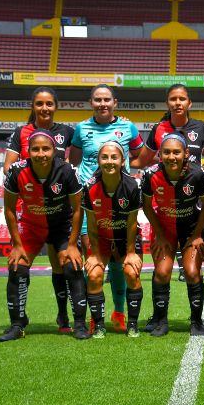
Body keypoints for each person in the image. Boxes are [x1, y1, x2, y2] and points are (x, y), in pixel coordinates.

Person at [0, 129, 88, 341]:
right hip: (31, 227)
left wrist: (73, 244)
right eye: (35, 149)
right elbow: (9, 209)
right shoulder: (16, 171)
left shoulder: (67, 171)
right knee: (17, 267)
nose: (41, 153)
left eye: (45, 149)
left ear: (54, 151)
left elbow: (78, 209)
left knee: (72, 265)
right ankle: (17, 324)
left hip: (61, 227)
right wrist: (17, 246)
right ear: (28, 151)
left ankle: (79, 324)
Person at [71, 84, 144, 332]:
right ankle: (94, 315)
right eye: (97, 99)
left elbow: (141, 156)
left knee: (118, 263)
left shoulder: (128, 126)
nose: (102, 103)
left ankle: (120, 313)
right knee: (92, 260)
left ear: (115, 102)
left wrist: (124, 172)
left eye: (107, 99)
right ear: (91, 102)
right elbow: (75, 161)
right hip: (91, 201)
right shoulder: (81, 129)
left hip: (121, 197)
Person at [132, 84, 204, 283]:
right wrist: (118, 157)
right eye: (173, 99)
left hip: (195, 200)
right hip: (168, 200)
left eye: (182, 99)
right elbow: (141, 161)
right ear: (167, 103)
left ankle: (191, 270)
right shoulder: (158, 129)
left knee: (193, 264)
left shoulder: (202, 127)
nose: (177, 103)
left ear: (189, 103)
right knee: (164, 268)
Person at [3, 86, 75, 334]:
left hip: (59, 212)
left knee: (63, 266)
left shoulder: (67, 132)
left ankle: (64, 317)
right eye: (39, 104)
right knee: (18, 264)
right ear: (32, 107)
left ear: (56, 106)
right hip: (31, 212)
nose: (44, 108)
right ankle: (18, 322)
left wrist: (55, 177)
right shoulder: (21, 132)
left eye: (49, 104)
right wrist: (33, 180)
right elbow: (8, 169)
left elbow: (73, 164)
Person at [140, 133, 204, 337]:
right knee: (162, 272)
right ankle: (160, 319)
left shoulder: (198, 175)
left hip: (191, 229)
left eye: (176, 152)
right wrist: (159, 234)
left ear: (186, 153)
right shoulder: (150, 176)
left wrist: (196, 235)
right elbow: (148, 207)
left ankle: (196, 321)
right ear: (160, 154)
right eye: (166, 152)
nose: (171, 156)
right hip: (164, 229)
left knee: (192, 272)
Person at [82, 141, 144, 338]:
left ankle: (131, 323)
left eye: (114, 157)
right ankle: (98, 324)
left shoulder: (132, 185)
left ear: (122, 161)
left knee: (131, 272)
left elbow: (132, 223)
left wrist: (131, 253)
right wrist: (96, 254)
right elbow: (91, 225)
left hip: (125, 237)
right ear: (98, 161)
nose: (109, 161)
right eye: (104, 157)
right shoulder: (90, 186)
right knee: (93, 275)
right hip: (101, 238)